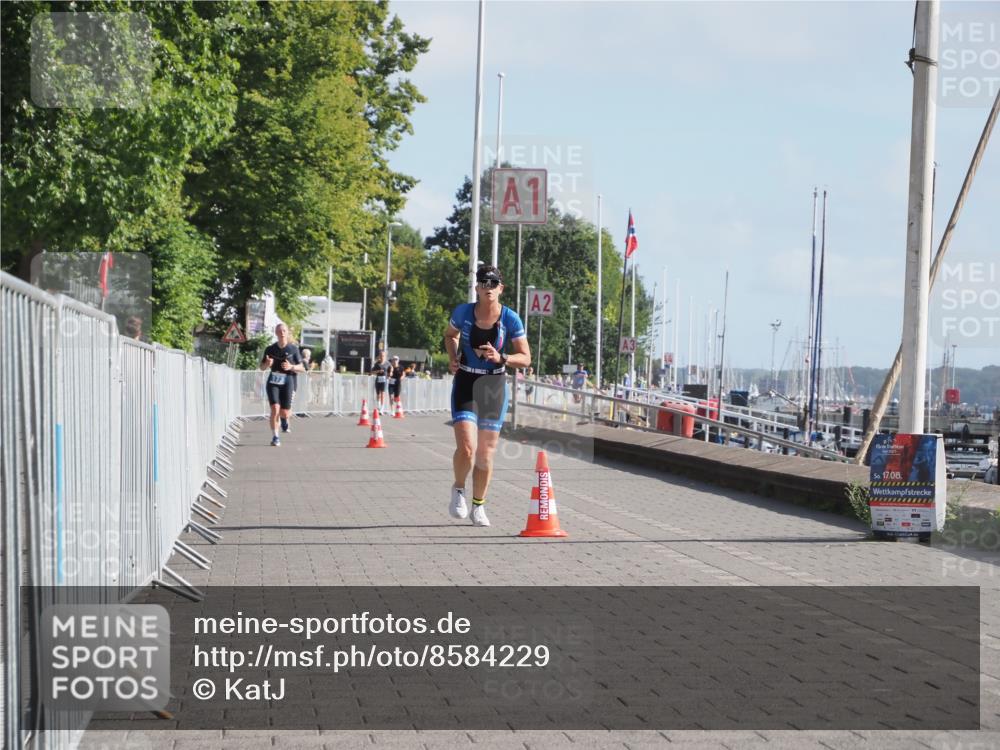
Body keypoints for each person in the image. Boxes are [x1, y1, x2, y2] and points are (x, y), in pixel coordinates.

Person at [443, 265, 531, 527]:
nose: (488, 287)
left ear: (500, 288)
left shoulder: (511, 319)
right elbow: (450, 335)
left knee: (485, 453)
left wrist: (502, 357)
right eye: (484, 283)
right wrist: (452, 357)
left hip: (493, 385)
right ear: (477, 288)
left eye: (493, 284)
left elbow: (526, 358)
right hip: (467, 380)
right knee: (467, 448)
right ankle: (459, 489)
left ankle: (478, 505)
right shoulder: (463, 312)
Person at [259, 323, 304, 446]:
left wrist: (291, 366)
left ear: (287, 332)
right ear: (276, 333)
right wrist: (267, 364)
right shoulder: (270, 349)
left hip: (289, 380)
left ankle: (284, 419)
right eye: (279, 331)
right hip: (274, 380)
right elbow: (262, 368)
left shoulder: (293, 349)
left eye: (284, 330)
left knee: (284, 412)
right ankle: (275, 437)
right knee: (275, 408)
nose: (282, 333)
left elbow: (302, 368)